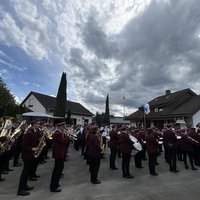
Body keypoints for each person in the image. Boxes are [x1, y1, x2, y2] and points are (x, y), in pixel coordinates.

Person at [17, 120, 40, 196]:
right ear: (33, 124)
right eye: (37, 124)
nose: (38, 125)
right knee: (25, 172)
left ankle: (25, 186)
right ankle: (20, 190)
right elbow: (23, 145)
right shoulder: (29, 132)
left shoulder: (34, 131)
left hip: (30, 155)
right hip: (27, 155)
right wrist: (32, 149)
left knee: (27, 172)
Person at [50, 121, 70, 192]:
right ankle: (53, 187)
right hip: (58, 154)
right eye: (63, 127)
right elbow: (65, 141)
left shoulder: (60, 133)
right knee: (57, 171)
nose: (64, 128)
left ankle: (55, 184)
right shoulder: (57, 134)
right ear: (59, 127)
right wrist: (68, 135)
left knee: (59, 169)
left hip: (60, 153)